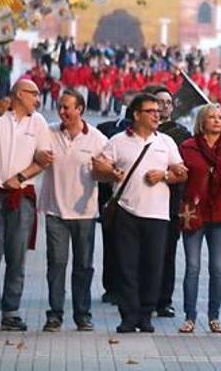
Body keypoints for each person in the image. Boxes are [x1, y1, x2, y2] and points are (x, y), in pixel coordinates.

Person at [94, 92, 188, 333]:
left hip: (157, 215)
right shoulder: (117, 141)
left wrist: (164, 175)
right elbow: (98, 169)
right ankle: (128, 316)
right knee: (126, 267)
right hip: (126, 211)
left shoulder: (165, 142)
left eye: (158, 111)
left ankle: (146, 315)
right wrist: (110, 173)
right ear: (136, 115)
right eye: (151, 111)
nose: (157, 115)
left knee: (152, 267)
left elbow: (182, 173)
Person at [39, 89, 108, 332]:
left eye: (67, 107)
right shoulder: (48, 131)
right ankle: (54, 314)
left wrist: (106, 170)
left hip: (85, 213)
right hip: (55, 210)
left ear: (80, 109)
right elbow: (34, 153)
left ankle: (82, 314)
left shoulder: (97, 139)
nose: (62, 111)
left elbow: (108, 170)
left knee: (83, 266)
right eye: (60, 106)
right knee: (56, 264)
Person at [0, 80, 53, 331]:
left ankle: (11, 311)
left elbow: (45, 159)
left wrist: (21, 177)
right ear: (19, 94)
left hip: (22, 196)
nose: (38, 99)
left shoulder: (38, 122)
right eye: (34, 94)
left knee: (17, 256)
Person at [177, 104, 221, 334]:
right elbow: (178, 175)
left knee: (217, 268)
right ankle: (190, 316)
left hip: (219, 215)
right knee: (192, 266)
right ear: (202, 122)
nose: (216, 121)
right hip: (193, 215)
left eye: (220, 118)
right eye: (211, 117)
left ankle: (214, 316)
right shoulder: (188, 147)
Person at [146, 85, 192, 319]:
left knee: (168, 254)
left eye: (168, 102)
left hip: (172, 201)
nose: (164, 106)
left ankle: (164, 300)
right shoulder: (140, 132)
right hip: (145, 201)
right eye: (159, 102)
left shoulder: (181, 134)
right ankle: (145, 298)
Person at [96, 90, 136, 305]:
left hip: (140, 199)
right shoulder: (107, 129)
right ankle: (111, 287)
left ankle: (129, 288)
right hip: (111, 197)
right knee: (111, 244)